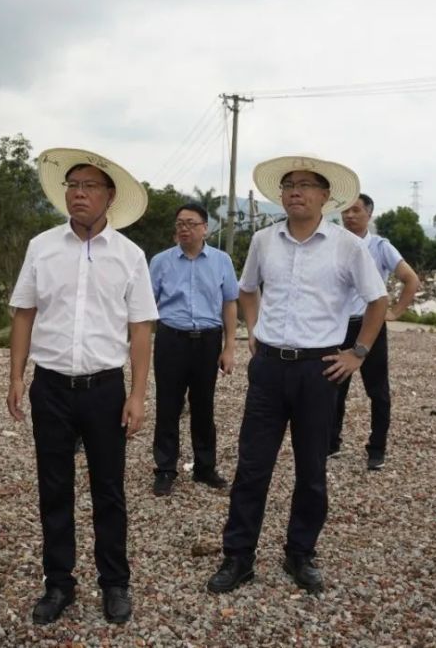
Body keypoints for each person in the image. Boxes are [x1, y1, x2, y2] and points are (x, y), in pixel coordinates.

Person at [206, 155, 388, 595]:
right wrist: (254, 328)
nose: (296, 191)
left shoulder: (348, 246)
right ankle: (238, 556)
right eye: (289, 184)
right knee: (252, 466)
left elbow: (378, 300)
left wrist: (358, 353)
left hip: (319, 369)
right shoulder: (264, 240)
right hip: (268, 368)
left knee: (311, 470)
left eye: (306, 185)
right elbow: (247, 288)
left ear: (326, 197)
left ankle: (300, 553)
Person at [7, 148, 157, 625]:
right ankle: (58, 583)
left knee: (108, 488)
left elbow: (140, 329)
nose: (78, 193)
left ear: (109, 196)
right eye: (72, 185)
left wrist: (137, 394)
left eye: (89, 186)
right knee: (54, 488)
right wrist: (15, 376)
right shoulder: (42, 247)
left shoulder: (130, 256)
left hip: (104, 389)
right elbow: (25, 313)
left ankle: (115, 582)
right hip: (50, 385)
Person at [149, 202, 238, 496]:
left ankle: (205, 467)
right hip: (171, 338)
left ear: (205, 228)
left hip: (207, 340)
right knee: (168, 405)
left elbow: (229, 302)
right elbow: (148, 304)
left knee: (203, 406)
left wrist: (229, 347)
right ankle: (164, 469)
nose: (184, 228)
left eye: (190, 223)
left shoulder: (221, 261)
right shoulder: (161, 261)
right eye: (179, 224)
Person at [331, 193, 420, 470]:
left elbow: (410, 279)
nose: (350, 216)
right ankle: (330, 443)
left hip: (370, 324)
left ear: (369, 214)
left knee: (377, 391)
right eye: (345, 211)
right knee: (333, 387)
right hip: (338, 326)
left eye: (356, 210)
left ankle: (377, 448)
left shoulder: (381, 247)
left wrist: (394, 312)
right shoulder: (334, 243)